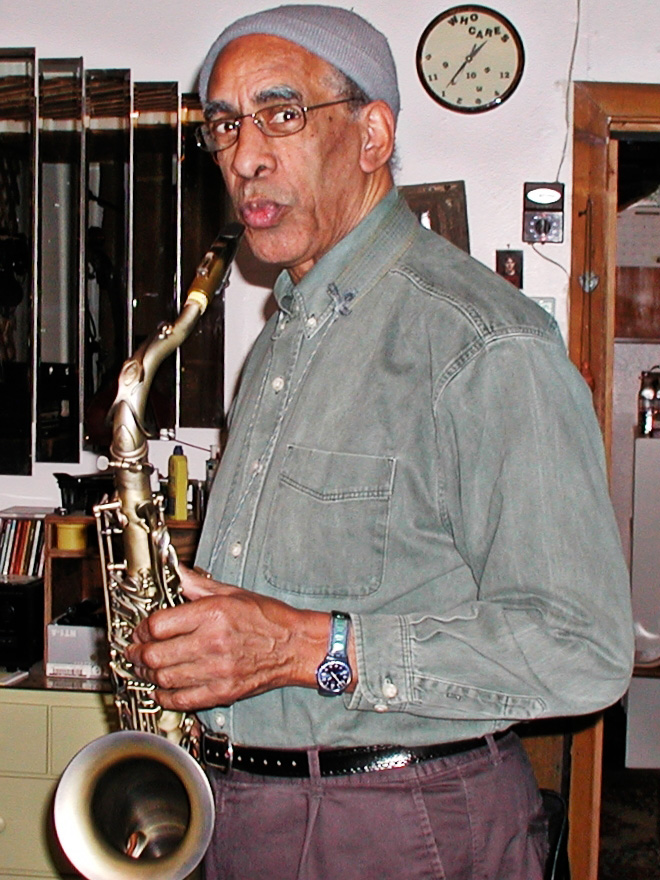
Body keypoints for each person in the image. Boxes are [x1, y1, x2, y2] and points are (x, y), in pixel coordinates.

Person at [127, 6, 634, 879]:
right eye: (222, 123)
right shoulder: (280, 339)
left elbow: (583, 650)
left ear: (373, 135)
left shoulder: (484, 343)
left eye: (282, 114)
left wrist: (300, 648)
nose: (243, 155)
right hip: (241, 810)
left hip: (399, 826)